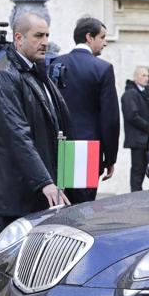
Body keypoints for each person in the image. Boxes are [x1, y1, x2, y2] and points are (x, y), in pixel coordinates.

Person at [0, 11, 71, 296]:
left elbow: (55, 129)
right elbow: (18, 136)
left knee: (32, 267)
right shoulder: (4, 76)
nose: (45, 41)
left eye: (47, 34)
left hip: (33, 187)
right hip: (14, 191)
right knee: (12, 270)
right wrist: (45, 181)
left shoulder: (37, 73)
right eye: (38, 35)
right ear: (18, 38)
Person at [53, 17, 120, 203]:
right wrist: (110, 157)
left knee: (56, 208)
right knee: (81, 211)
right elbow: (110, 118)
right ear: (89, 37)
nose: (105, 42)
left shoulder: (55, 63)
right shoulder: (103, 68)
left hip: (56, 146)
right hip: (87, 149)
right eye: (102, 37)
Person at [121, 67, 149, 192]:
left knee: (142, 170)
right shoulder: (131, 93)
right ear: (135, 77)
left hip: (145, 139)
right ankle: (135, 195)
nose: (146, 78)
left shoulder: (144, 92)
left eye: (148, 75)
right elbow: (132, 116)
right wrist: (148, 128)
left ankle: (137, 194)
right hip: (137, 139)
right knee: (137, 170)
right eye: (143, 75)